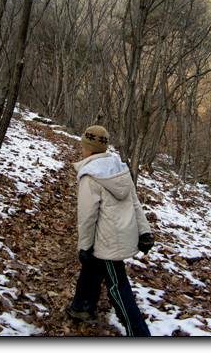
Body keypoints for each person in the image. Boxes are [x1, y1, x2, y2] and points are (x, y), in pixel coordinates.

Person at [66, 125, 155, 337]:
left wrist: (84, 246)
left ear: (87, 148)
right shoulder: (120, 167)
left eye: (83, 146)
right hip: (122, 233)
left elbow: (87, 217)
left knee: (117, 285)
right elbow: (135, 203)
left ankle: (139, 333)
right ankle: (81, 307)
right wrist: (144, 232)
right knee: (92, 267)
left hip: (107, 239)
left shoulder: (89, 176)